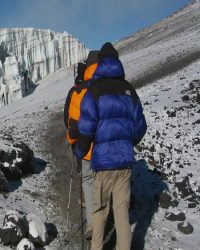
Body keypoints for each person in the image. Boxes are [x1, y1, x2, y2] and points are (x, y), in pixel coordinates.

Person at [75, 42, 147, 250]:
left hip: (103, 163)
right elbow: (140, 126)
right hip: (124, 163)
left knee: (99, 212)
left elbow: (86, 128)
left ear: (100, 64)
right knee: (122, 212)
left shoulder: (94, 90)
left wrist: (81, 150)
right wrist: (127, 142)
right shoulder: (129, 89)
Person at [63, 50, 99, 240]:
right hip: (106, 148)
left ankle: (93, 223)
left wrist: (71, 138)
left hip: (85, 147)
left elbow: (71, 119)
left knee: (86, 179)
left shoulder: (79, 89)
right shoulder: (108, 85)